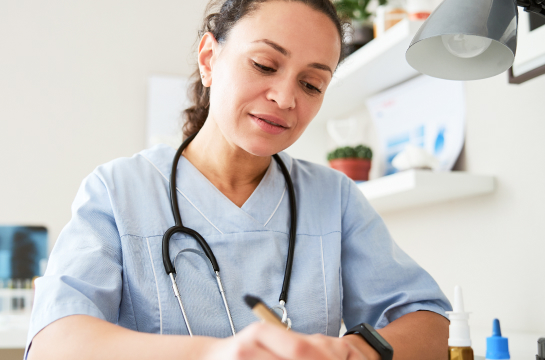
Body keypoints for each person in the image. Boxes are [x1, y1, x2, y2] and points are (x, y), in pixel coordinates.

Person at [27, 0, 451, 359]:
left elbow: (431, 324)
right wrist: (219, 354)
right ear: (209, 59)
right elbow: (53, 340)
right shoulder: (119, 190)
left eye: (311, 83)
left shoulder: (332, 197)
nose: (286, 99)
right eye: (265, 65)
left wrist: (350, 351)